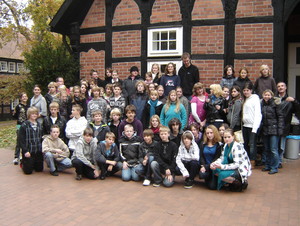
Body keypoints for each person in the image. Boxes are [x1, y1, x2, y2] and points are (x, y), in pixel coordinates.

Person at [276, 82, 300, 167]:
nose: (280, 87)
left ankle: (279, 161)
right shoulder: (275, 99)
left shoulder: (290, 99)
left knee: (281, 146)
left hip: (285, 125)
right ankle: (274, 161)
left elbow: (297, 110)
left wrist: (294, 101)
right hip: (275, 125)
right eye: (278, 86)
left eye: (282, 86)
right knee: (274, 145)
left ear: (286, 87)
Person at [261, 90, 284, 174]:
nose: (266, 96)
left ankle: (274, 167)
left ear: (271, 96)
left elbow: (280, 117)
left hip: (274, 130)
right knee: (266, 149)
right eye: (265, 95)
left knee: (273, 149)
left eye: (268, 95)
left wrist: (280, 129)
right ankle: (267, 165)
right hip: (265, 129)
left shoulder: (275, 104)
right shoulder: (262, 104)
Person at [242, 82, 262, 167]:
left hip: (252, 126)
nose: (246, 92)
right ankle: (247, 160)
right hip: (245, 125)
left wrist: (255, 128)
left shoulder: (255, 99)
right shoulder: (245, 99)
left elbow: (258, 114)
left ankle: (253, 161)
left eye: (247, 90)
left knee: (252, 145)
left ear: (251, 90)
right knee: (245, 144)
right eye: (244, 90)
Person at [19, 107, 43, 174]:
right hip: (29, 151)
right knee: (28, 171)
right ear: (29, 115)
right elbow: (21, 140)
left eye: (36, 114)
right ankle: (23, 162)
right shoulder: (24, 125)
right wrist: (25, 151)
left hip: (38, 151)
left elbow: (41, 138)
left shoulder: (39, 125)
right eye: (32, 114)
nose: (34, 115)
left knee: (39, 169)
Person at [199, 125, 222, 190]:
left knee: (212, 187)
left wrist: (207, 167)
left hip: (214, 167)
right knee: (202, 175)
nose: (209, 135)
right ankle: (208, 177)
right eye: (207, 133)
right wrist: (203, 166)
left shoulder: (219, 145)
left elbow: (217, 158)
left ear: (215, 133)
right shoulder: (203, 144)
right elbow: (201, 156)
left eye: (211, 133)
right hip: (205, 166)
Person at [12, 92, 29, 165]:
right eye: (23, 97)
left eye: (25, 96)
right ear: (21, 98)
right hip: (19, 125)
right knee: (19, 140)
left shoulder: (29, 106)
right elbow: (15, 116)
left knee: (25, 140)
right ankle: (16, 156)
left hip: (27, 125)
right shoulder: (18, 106)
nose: (24, 98)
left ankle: (23, 155)